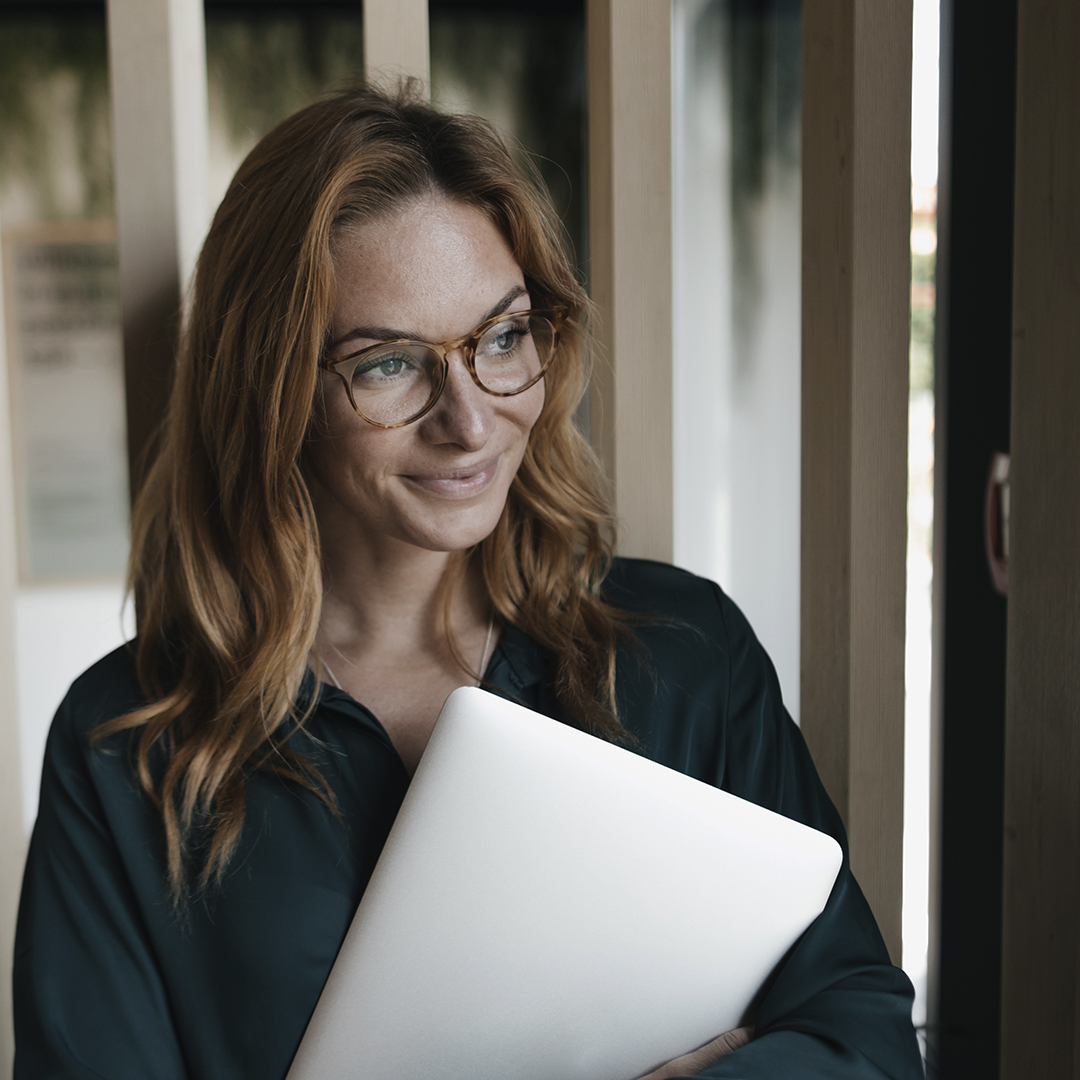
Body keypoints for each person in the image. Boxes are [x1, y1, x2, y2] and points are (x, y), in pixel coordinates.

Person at [13, 83, 923, 1080]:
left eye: (501, 337)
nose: (470, 418)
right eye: (388, 364)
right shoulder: (129, 744)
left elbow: (860, 1023)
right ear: (270, 391)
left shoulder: (682, 652)